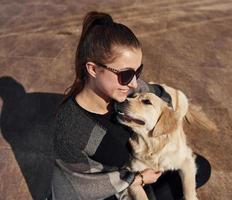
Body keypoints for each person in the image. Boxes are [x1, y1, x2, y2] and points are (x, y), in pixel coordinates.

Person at [50, 11, 211, 200]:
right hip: (106, 190)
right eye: (126, 75)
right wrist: (137, 179)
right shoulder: (70, 126)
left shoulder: (127, 91)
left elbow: (161, 94)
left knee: (201, 167)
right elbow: (76, 189)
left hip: (137, 171)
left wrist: (174, 116)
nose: (134, 83)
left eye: (138, 72)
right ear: (93, 69)